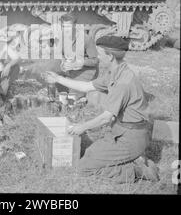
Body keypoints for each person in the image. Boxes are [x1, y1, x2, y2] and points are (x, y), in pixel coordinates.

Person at [45, 36, 159, 183]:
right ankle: (135, 158)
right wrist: (58, 79)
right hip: (121, 130)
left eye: (100, 53)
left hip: (131, 137)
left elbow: (107, 117)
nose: (97, 57)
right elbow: (87, 86)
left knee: (83, 168)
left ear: (110, 56)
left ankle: (137, 170)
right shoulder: (115, 71)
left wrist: (82, 127)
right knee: (89, 153)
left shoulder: (123, 82)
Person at [56, 13, 99, 98]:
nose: (66, 30)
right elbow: (60, 54)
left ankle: (80, 99)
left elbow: (95, 61)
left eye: (68, 26)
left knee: (72, 97)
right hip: (70, 71)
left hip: (86, 71)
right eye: (63, 27)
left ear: (74, 25)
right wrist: (63, 62)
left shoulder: (86, 39)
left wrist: (79, 63)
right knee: (57, 86)